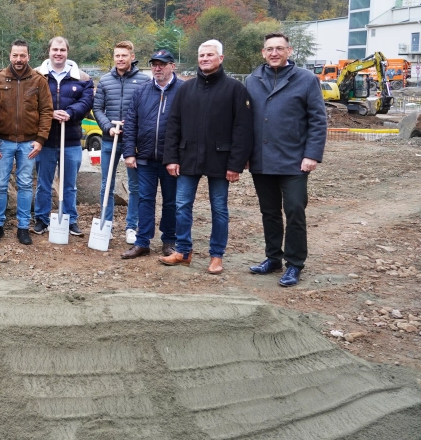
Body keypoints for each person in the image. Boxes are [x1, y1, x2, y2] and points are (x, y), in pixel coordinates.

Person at [160, 40, 252, 273]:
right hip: (188, 157)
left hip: (221, 160)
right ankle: (183, 251)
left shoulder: (235, 90)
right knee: (182, 205)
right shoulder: (185, 89)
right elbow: (173, 125)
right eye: (201, 55)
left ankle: (216, 256)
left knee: (219, 208)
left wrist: (236, 164)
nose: (205, 59)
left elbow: (242, 129)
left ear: (220, 58)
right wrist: (171, 158)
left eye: (210, 55)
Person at [245, 32, 327, 287]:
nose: (274, 53)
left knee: (294, 210)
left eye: (280, 48)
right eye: (269, 49)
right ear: (263, 52)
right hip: (261, 160)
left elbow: (318, 119)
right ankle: (273, 258)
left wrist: (312, 154)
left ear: (289, 51)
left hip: (294, 161)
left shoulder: (305, 79)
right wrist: (244, 155)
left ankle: (294, 264)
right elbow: (244, 121)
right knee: (269, 212)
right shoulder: (252, 80)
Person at [0, 39, 53, 246]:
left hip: (28, 143)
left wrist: (41, 139)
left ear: (28, 57)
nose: (19, 59)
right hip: (3, 142)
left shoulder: (38, 81)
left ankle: (23, 226)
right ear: (10, 56)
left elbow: (46, 111)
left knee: (25, 184)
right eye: (15, 55)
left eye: (22, 55)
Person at [121, 49, 181, 259]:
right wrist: (129, 153)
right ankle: (142, 241)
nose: (157, 68)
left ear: (172, 66)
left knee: (171, 201)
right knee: (145, 199)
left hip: (171, 160)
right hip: (145, 158)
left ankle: (169, 241)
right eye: (154, 64)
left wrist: (179, 157)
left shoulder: (183, 91)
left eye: (162, 64)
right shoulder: (142, 91)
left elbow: (189, 127)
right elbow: (130, 125)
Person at [33, 36, 95, 237]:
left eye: (62, 50)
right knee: (43, 183)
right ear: (48, 51)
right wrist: (50, 113)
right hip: (46, 139)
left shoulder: (82, 77)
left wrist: (70, 112)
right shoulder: (37, 76)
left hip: (71, 140)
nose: (58, 53)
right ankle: (41, 219)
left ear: (67, 52)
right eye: (55, 50)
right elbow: (31, 102)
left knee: (69, 184)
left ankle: (69, 219)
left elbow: (86, 102)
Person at [93, 41, 150, 243]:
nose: (120, 59)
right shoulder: (106, 80)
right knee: (106, 185)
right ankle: (105, 225)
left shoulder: (144, 81)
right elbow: (97, 108)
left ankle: (131, 227)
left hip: (132, 143)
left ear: (132, 57)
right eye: (117, 55)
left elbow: (147, 109)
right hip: (110, 140)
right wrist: (107, 126)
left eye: (124, 56)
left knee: (135, 186)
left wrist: (133, 125)